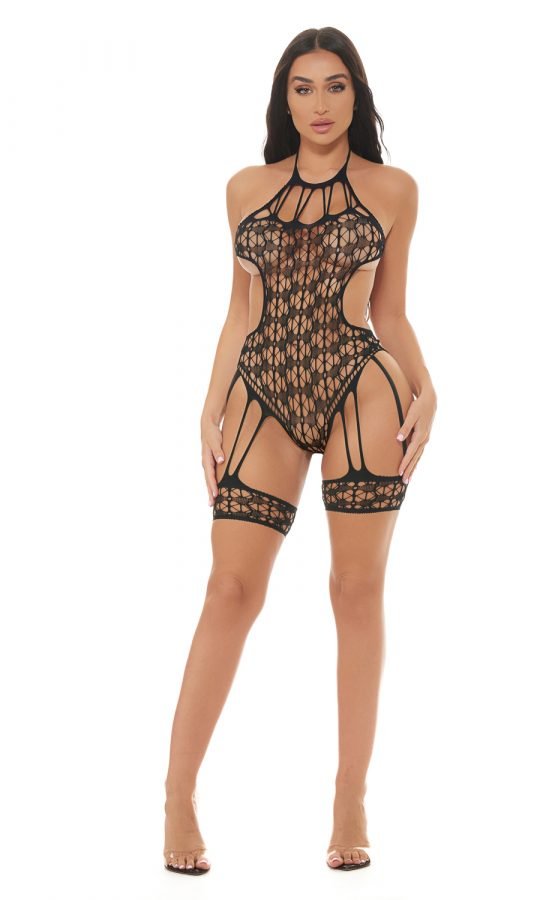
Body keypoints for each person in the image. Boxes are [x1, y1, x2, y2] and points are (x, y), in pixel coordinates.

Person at [163, 26, 437, 875]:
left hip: (361, 388)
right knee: (229, 589)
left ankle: (350, 795)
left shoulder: (393, 189)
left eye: (336, 85)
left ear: (358, 94)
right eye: (304, 87)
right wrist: (209, 408)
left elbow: (388, 313)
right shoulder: (246, 189)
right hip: (264, 392)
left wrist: (429, 387)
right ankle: (177, 795)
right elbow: (240, 312)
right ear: (284, 99)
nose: (321, 104)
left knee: (356, 590)